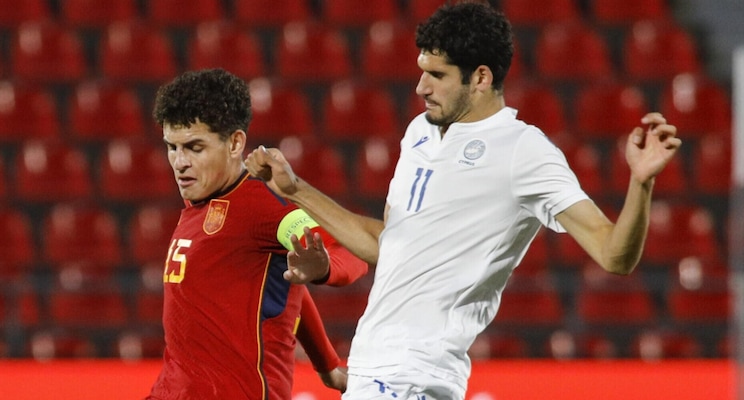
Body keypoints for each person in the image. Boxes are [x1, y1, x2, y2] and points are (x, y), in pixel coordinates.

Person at [244, 2, 681, 399]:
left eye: (437, 75)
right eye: (422, 71)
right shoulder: (419, 133)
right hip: (374, 369)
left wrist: (640, 184)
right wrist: (295, 189)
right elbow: (390, 244)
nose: (420, 87)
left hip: (413, 377)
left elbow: (613, 255)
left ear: (481, 78)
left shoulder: (523, 151)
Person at [147, 68, 367, 400]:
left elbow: (352, 251)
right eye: (172, 147)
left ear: (235, 143)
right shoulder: (198, 205)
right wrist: (328, 365)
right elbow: (291, 292)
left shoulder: (263, 207)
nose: (179, 162)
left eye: (194, 147)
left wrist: (323, 269)